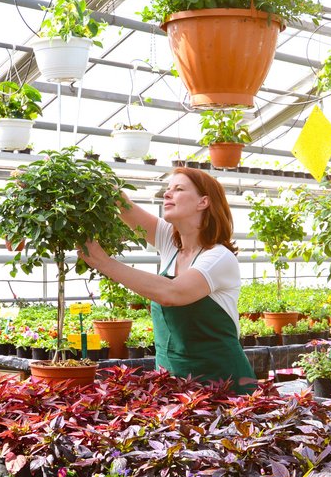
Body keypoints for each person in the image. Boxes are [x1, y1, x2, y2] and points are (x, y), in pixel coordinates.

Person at [78, 167, 257, 394]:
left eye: (178, 189)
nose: (167, 194)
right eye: (167, 189)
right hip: (174, 382)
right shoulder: (171, 243)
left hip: (223, 383)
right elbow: (122, 204)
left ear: (203, 202)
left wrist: (105, 263)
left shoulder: (219, 257)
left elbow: (173, 293)